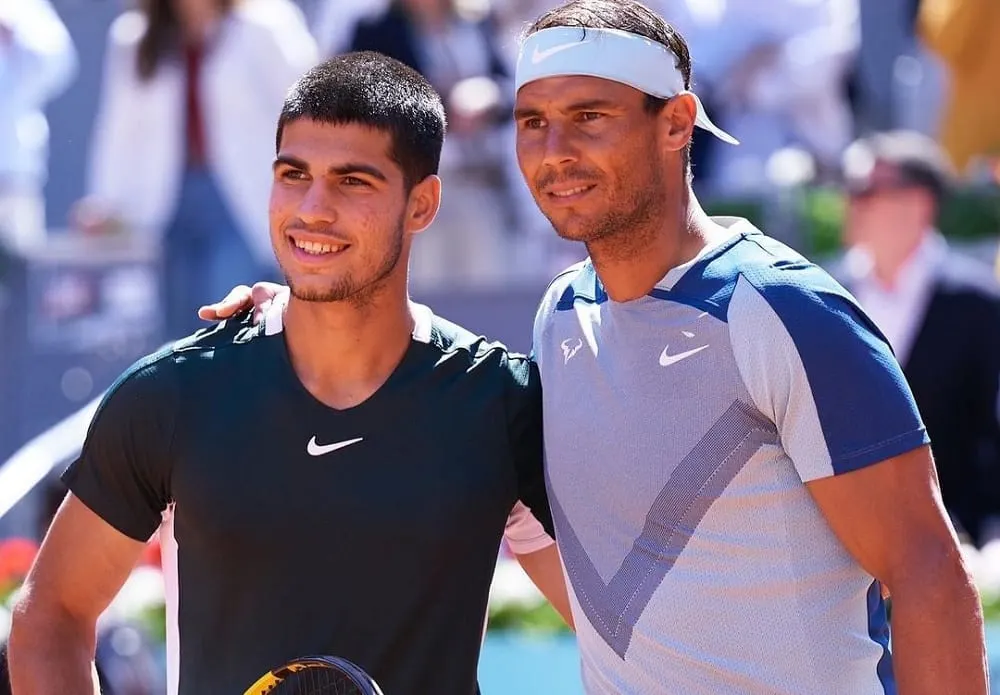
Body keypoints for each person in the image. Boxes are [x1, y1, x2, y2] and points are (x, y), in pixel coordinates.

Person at [203, 1, 988, 693]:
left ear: (677, 122)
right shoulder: (561, 315)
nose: (555, 152)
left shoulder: (785, 308)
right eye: (534, 122)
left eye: (590, 117)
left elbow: (929, 574)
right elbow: (605, 594)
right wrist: (312, 311)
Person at [8, 52, 569, 695]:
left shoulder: (499, 404)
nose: (313, 209)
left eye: (353, 181)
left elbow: (627, 634)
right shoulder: (174, 396)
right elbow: (52, 615)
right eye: (293, 174)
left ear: (422, 204)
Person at [72, 0, 318, 339]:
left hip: (242, 203)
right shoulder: (135, 36)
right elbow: (119, 129)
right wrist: (105, 202)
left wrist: (308, 190)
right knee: (171, 332)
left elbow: (309, 111)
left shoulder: (264, 24)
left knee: (229, 320)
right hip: (162, 208)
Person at [836, 130, 1000, 548]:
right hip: (845, 549)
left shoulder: (978, 301)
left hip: (958, 545)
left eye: (867, 189)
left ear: (919, 204)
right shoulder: (826, 293)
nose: (851, 202)